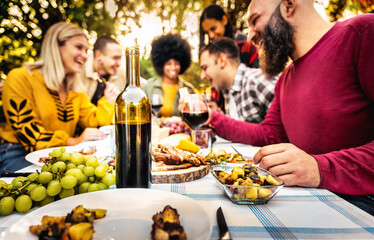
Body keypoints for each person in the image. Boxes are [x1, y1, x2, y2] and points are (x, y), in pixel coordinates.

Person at [205, 0, 374, 214]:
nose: (249, 36)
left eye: (255, 20)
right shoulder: (285, 80)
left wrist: (320, 169)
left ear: (288, 4)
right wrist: (212, 118)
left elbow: (316, 168)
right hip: (313, 205)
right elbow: (269, 135)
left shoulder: (363, 33)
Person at [0, 22, 119, 174]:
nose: (85, 55)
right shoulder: (20, 77)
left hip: (60, 154)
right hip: (17, 153)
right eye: (78, 47)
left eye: (86, 50)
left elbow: (93, 119)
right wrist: (72, 141)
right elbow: (27, 130)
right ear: (56, 46)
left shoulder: (74, 88)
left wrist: (107, 100)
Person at [200, 4, 260, 113]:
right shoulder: (212, 55)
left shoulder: (247, 45)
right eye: (207, 32)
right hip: (227, 118)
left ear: (224, 20)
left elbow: (260, 81)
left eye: (213, 28)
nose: (211, 35)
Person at [200, 37, 276, 123]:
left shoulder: (256, 81)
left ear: (222, 61)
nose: (202, 76)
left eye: (205, 68)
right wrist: (216, 114)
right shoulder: (228, 90)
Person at [142, 33, 196, 117]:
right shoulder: (148, 87)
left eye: (176, 63)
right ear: (161, 64)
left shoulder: (189, 89)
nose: (173, 67)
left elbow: (193, 116)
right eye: (168, 64)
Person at [80, 36, 123, 105]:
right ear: (98, 55)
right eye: (115, 58)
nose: (119, 63)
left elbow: (144, 86)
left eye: (120, 58)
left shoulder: (122, 72)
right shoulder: (79, 69)